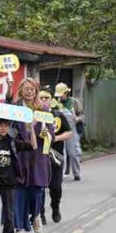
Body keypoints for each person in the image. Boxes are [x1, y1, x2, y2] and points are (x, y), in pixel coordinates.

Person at [12, 78, 53, 233]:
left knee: (37, 190)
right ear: (20, 90)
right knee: (20, 190)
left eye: (32, 89)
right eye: (26, 89)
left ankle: (35, 214)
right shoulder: (14, 109)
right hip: (20, 152)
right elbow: (9, 129)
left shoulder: (43, 109)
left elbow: (52, 132)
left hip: (38, 155)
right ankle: (19, 227)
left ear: (36, 91)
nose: (29, 92)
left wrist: (46, 134)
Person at [42, 89, 73, 223]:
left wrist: (55, 138)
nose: (43, 100)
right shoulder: (32, 116)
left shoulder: (58, 115)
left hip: (56, 156)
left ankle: (55, 207)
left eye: (46, 97)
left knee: (55, 186)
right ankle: (39, 213)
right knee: (39, 187)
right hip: (38, 157)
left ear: (51, 99)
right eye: (41, 97)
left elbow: (69, 133)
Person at [55, 83, 83, 181]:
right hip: (60, 130)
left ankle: (77, 173)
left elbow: (82, 116)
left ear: (66, 93)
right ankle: (60, 175)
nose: (59, 97)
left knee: (73, 153)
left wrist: (77, 118)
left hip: (72, 129)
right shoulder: (55, 104)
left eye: (61, 95)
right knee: (61, 153)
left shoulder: (74, 102)